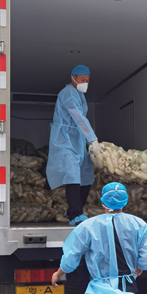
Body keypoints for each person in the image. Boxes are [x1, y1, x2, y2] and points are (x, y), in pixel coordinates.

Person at [46, 65, 101, 226]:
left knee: (86, 177)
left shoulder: (79, 94)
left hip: (77, 141)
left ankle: (73, 212)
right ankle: (76, 214)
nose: (85, 83)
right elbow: (79, 118)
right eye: (82, 80)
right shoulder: (68, 93)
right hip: (65, 140)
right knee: (73, 176)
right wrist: (93, 139)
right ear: (73, 78)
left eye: (87, 80)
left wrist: (88, 140)